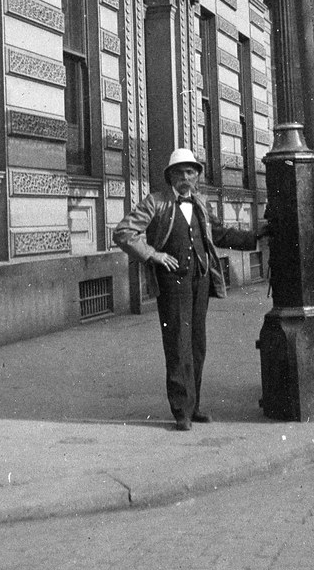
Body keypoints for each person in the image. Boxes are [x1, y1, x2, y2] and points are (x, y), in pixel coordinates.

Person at [113, 148, 270, 431]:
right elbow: (123, 232)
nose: (185, 177)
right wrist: (153, 255)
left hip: (200, 280)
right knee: (177, 344)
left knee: (197, 345)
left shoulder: (199, 203)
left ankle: (194, 406)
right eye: (179, 172)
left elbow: (219, 234)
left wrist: (256, 234)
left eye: (190, 172)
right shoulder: (155, 202)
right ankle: (181, 411)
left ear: (197, 176)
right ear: (170, 176)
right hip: (172, 285)